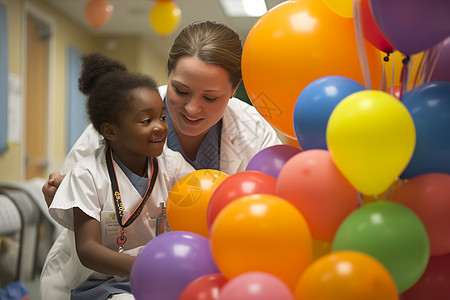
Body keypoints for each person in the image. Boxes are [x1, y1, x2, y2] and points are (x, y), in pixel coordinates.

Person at [41, 20, 282, 299]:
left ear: (234, 88)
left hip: (212, 273)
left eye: (211, 97)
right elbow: (83, 210)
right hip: (111, 278)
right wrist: (65, 199)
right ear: (168, 74)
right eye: (181, 91)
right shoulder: (120, 118)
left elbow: (269, 209)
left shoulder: (253, 130)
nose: (192, 108)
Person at [48, 52, 195, 299]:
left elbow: (203, 204)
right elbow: (87, 249)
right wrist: (145, 268)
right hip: (107, 285)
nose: (160, 126)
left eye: (161, 117)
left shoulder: (173, 165)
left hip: (165, 278)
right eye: (146, 120)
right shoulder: (87, 175)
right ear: (111, 131)